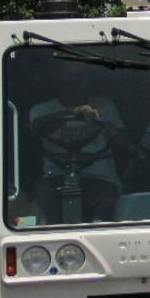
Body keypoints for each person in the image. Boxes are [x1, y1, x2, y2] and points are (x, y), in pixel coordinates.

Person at [29, 64, 131, 223]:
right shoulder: (42, 110)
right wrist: (72, 112)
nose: (74, 78)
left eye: (80, 74)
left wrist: (113, 134)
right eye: (69, 73)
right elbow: (36, 128)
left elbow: (123, 146)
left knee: (107, 207)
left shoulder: (105, 105)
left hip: (100, 179)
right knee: (41, 206)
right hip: (55, 178)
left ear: (88, 78)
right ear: (58, 77)